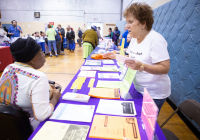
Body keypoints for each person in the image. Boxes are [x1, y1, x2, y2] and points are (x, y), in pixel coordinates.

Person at [104, 2, 171, 113]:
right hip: (138, 87)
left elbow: (165, 68)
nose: (127, 26)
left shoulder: (155, 40)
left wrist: (142, 66)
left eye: (131, 22)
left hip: (154, 93)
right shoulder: (135, 38)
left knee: (144, 124)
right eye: (127, 22)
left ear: (143, 23)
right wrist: (116, 56)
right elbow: (131, 58)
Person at [0, 37, 61, 130]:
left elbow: (22, 88)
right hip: (28, 126)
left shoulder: (9, 67)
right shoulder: (39, 77)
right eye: (41, 53)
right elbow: (42, 115)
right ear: (32, 57)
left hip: (7, 124)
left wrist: (46, 88)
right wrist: (55, 98)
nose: (44, 55)